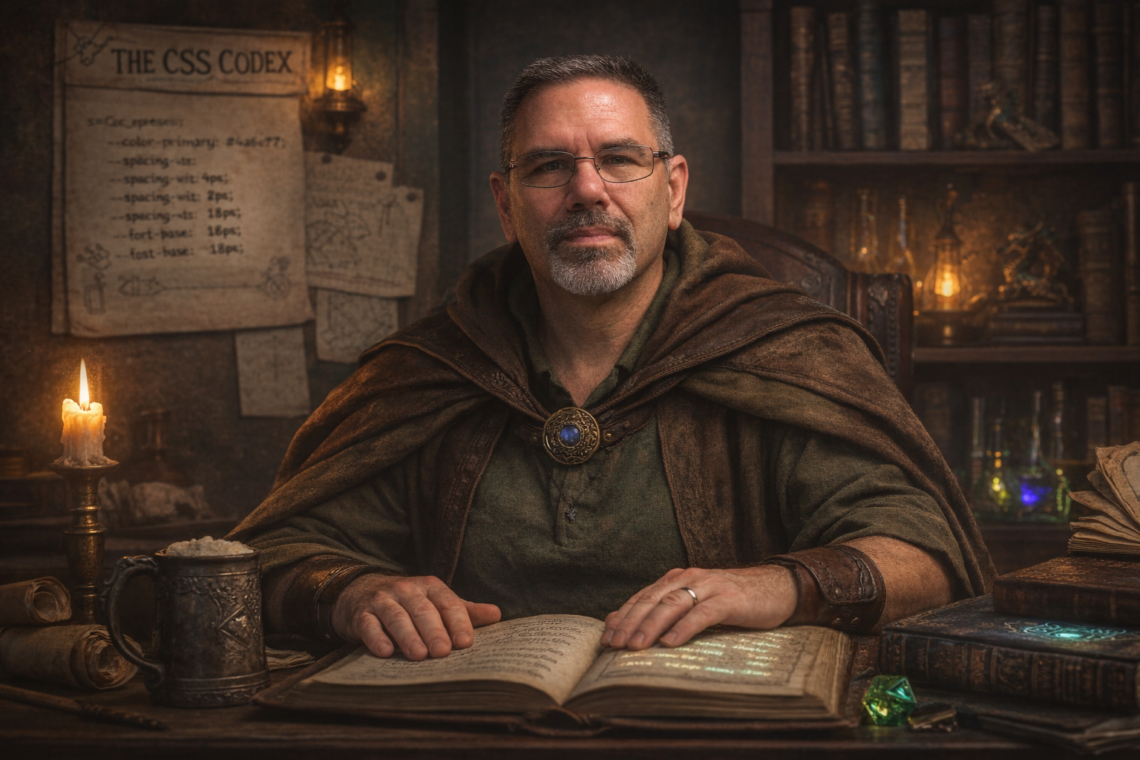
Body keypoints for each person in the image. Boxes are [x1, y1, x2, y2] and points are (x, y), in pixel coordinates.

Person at [233, 55, 994, 662]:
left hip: (731, 741)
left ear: (674, 188)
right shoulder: (425, 370)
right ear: (506, 204)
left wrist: (781, 585)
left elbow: (931, 559)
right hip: (466, 739)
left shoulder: (788, 352)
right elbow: (260, 561)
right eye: (548, 167)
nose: (586, 190)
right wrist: (350, 592)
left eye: (620, 159)